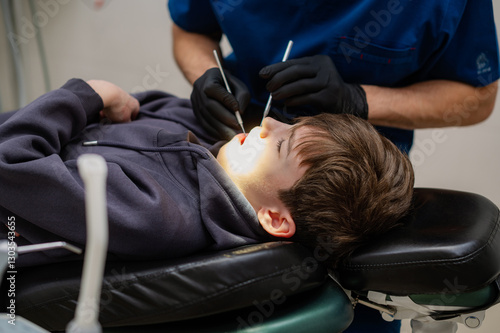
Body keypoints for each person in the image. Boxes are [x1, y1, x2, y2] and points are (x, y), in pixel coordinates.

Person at [0, 78, 413, 271]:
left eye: (282, 145)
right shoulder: (212, 143)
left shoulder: (153, 214)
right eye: (291, 124)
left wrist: (88, 92)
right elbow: (132, 108)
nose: (267, 126)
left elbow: (10, 162)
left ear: (275, 217)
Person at [168, 0, 499, 155]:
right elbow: (190, 30)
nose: (266, 130)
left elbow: (477, 97)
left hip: (349, 164)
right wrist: (207, 75)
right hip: (225, 123)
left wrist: (358, 99)